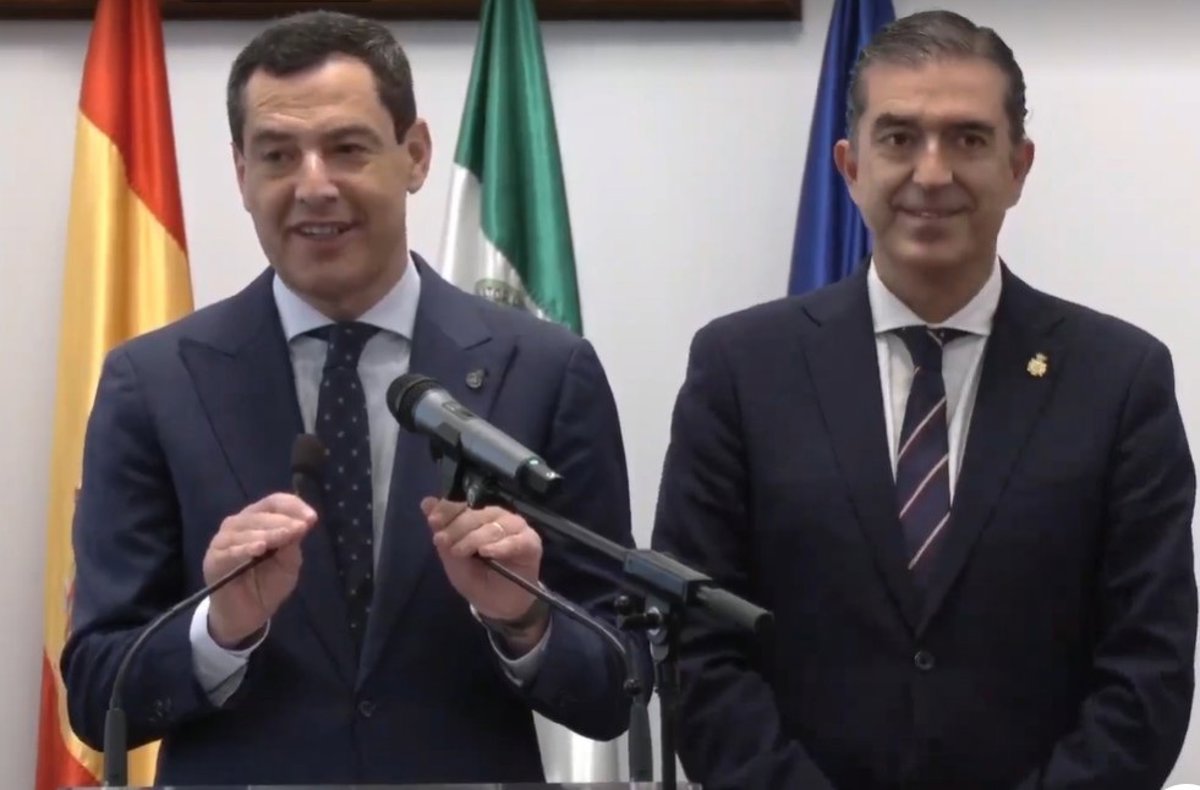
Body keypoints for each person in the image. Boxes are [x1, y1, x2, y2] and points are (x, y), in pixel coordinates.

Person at [61, 10, 638, 785]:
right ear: (241, 173)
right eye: (277, 155)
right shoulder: (154, 382)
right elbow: (96, 692)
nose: (313, 186)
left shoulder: (543, 370)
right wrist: (219, 629)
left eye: (347, 148)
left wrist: (525, 618)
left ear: (415, 154)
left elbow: (616, 683)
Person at [651, 10, 1197, 790]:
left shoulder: (1120, 380)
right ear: (850, 166)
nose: (932, 173)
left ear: (1019, 167)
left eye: (968, 139)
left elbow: (1148, 665)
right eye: (900, 138)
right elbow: (698, 649)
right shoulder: (740, 369)